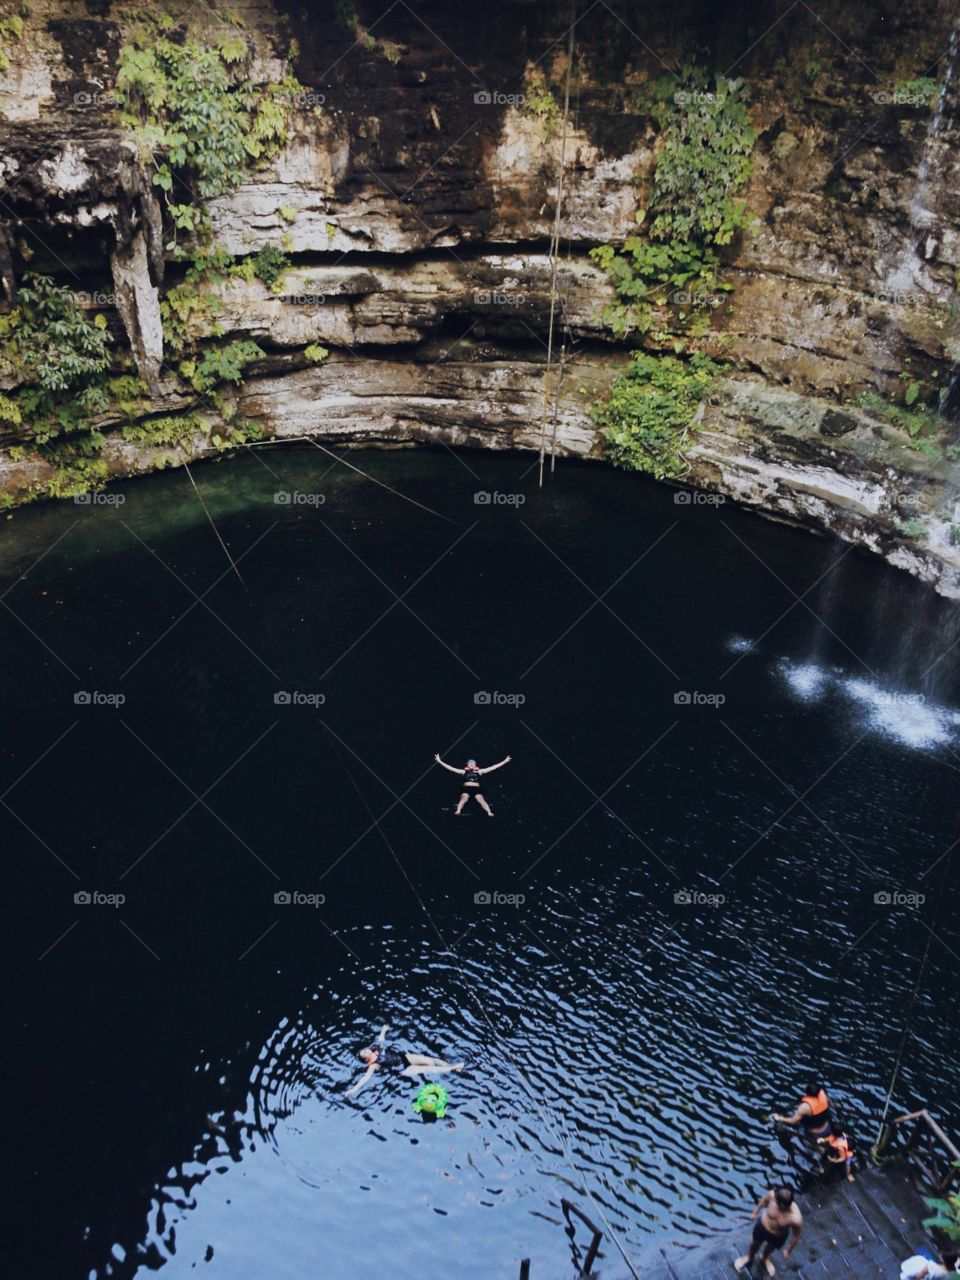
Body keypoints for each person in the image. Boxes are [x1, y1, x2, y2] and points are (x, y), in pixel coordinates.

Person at [345, 1024, 464, 1097]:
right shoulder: (374, 1065)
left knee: (430, 1059)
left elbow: (381, 1039)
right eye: (364, 1052)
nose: (366, 1050)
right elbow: (365, 1078)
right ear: (366, 1059)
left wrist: (384, 1030)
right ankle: (453, 1068)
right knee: (429, 1068)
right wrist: (353, 1089)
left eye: (365, 1049)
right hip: (403, 1069)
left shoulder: (376, 1048)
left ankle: (451, 1066)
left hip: (405, 1057)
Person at [735, 1185, 803, 1277]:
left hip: (778, 1235)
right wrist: (755, 1212)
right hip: (762, 1227)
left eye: (780, 1205)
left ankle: (764, 1258)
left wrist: (789, 1250)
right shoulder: (772, 1196)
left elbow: (796, 1236)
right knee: (754, 1244)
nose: (777, 1205)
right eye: (776, 1202)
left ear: (786, 1205)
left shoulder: (795, 1218)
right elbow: (763, 1202)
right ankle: (749, 1257)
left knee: (770, 1248)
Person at [434, 751, 511, 816]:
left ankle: (489, 812)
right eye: (470, 763)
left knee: (480, 799)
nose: (471, 764)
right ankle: (458, 810)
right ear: (467, 765)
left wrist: (505, 761)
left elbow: (493, 767)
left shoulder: (480, 771)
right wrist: (439, 761)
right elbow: (450, 768)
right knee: (464, 798)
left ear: (475, 765)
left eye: (473, 763)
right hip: (466, 788)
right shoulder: (463, 771)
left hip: (476, 789)